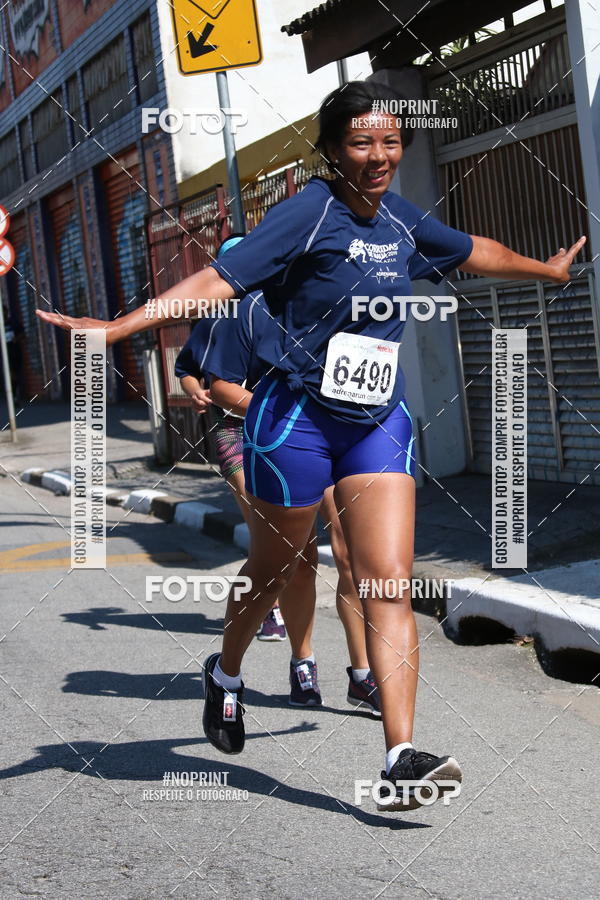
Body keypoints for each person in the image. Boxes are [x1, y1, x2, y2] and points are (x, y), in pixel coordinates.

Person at [37, 80, 585, 811]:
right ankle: (226, 673)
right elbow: (212, 280)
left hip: (377, 424)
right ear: (331, 149)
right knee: (273, 571)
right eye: (361, 142)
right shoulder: (308, 212)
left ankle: (399, 758)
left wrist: (544, 270)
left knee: (386, 578)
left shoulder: (398, 218)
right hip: (292, 422)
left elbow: (472, 249)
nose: (379, 155)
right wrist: (118, 329)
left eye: (390, 141)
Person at [205, 279, 381, 715]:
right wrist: (284, 411)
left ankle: (362, 674)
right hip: (266, 434)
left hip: (332, 432)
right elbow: (218, 385)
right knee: (295, 558)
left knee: (349, 553)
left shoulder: (340, 300)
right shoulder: (242, 310)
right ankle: (303, 662)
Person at [175, 235, 289, 644]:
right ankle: (270, 610)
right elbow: (186, 366)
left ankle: (279, 599)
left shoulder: (281, 308)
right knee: (260, 521)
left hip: (280, 429)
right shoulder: (214, 316)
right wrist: (193, 388)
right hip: (233, 429)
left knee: (282, 527)